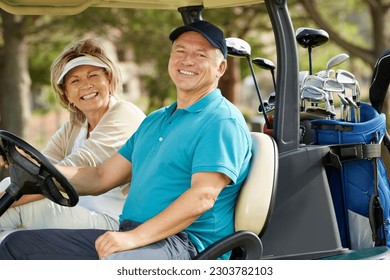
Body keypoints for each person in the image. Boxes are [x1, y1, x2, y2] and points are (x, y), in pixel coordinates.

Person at [0, 20, 252, 260]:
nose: (187, 60)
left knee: (113, 263)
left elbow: (203, 196)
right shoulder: (156, 120)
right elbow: (100, 177)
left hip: (183, 242)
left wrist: (134, 238)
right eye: (180, 51)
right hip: (132, 232)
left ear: (220, 68)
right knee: (16, 246)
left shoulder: (220, 121)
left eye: (201, 55)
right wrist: (38, 168)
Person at [0, 38, 145, 236]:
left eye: (93, 76)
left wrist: (8, 197)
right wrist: (14, 158)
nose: (86, 85)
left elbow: (61, 177)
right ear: (66, 94)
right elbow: (39, 166)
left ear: (109, 80)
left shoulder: (124, 114)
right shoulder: (74, 127)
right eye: (75, 81)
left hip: (113, 220)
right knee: (7, 209)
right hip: (78, 212)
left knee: (20, 206)